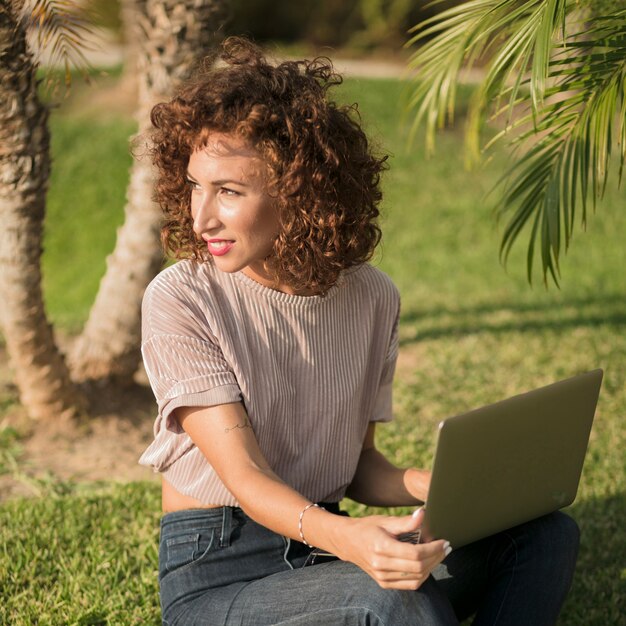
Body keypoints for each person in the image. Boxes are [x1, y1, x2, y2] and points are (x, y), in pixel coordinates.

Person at [139, 37, 579, 626]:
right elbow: (244, 477)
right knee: (391, 597)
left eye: (228, 191)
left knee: (543, 535)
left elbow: (357, 466)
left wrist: (434, 487)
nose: (201, 217)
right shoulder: (181, 298)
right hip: (219, 572)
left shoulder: (372, 296)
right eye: (196, 185)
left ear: (299, 192)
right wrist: (351, 542)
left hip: (324, 546)